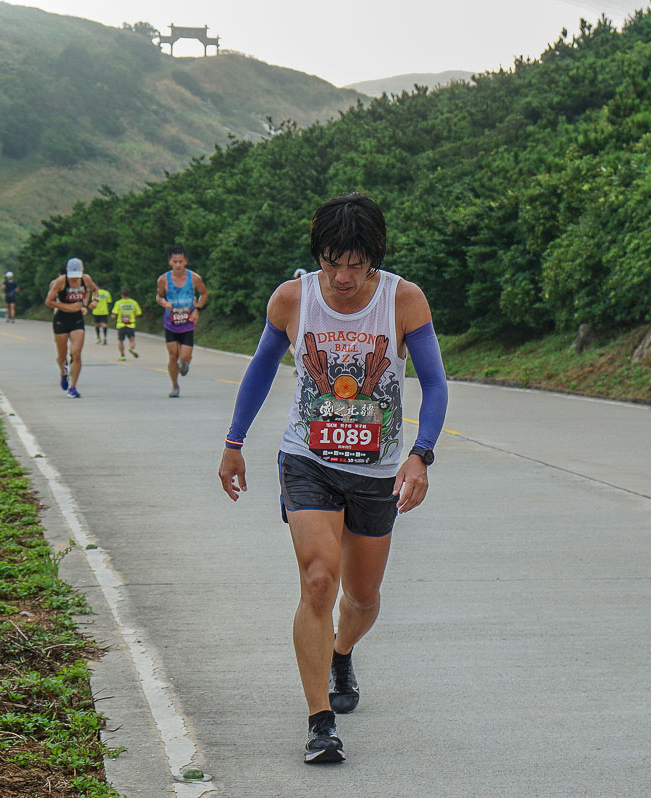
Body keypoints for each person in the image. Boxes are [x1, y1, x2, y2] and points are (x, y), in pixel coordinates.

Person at [217, 193, 448, 764]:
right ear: (317, 255)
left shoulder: (403, 300)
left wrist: (420, 454)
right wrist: (234, 442)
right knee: (320, 578)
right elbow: (261, 369)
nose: (342, 277)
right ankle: (320, 722)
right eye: (331, 261)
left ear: (374, 258)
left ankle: (342, 650)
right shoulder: (293, 298)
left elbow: (435, 385)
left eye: (356, 264)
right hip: (308, 461)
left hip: (375, 471)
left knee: (362, 597)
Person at [155, 246, 208, 398]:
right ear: (169, 262)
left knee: (183, 357)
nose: (178, 265)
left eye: (180, 261)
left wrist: (197, 308)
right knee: (173, 356)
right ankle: (175, 386)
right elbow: (158, 297)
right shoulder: (163, 280)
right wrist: (164, 303)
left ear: (186, 261)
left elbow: (204, 293)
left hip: (187, 323)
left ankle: (185, 363)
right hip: (170, 323)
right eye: (174, 261)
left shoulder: (195, 278)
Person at [45, 258, 101, 399]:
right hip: (61, 320)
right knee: (62, 357)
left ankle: (73, 387)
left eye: (77, 277)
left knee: (76, 354)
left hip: (77, 320)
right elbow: (48, 301)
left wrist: (93, 302)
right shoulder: (60, 282)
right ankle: (63, 373)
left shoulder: (86, 279)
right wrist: (67, 307)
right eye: (72, 277)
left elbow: (95, 290)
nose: (75, 280)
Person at [110, 288, 142, 361]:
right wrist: (133, 316)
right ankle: (131, 348)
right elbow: (139, 313)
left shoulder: (118, 303)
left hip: (121, 325)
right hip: (130, 324)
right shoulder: (133, 302)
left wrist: (113, 317)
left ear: (121, 294)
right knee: (132, 339)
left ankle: (122, 355)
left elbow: (114, 314)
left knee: (121, 341)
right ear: (129, 294)